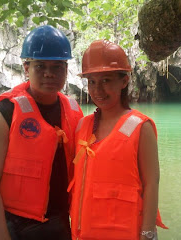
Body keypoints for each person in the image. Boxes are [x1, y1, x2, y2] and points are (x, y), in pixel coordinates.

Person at [0, 25, 83, 240]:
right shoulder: (4, 114)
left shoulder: (73, 111)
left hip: (57, 224)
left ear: (66, 68)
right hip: (13, 226)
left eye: (57, 66)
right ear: (26, 67)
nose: (49, 73)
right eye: (40, 66)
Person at [68, 40, 167, 240]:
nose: (98, 90)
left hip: (125, 233)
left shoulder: (140, 127)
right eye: (92, 82)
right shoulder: (82, 126)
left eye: (106, 80)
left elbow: (152, 183)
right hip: (84, 233)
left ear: (124, 81)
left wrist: (148, 234)